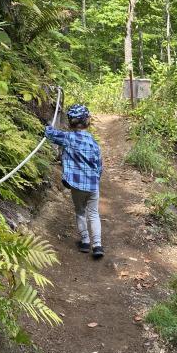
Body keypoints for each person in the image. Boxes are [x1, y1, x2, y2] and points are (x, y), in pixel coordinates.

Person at [44, 104, 104, 259]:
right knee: (94, 213)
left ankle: (85, 241)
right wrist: (96, 180)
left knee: (80, 212)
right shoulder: (94, 143)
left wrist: (47, 126)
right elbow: (99, 166)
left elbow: (50, 134)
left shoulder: (69, 138)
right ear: (87, 122)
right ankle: (97, 245)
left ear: (70, 123)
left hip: (77, 186)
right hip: (93, 185)